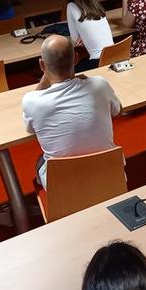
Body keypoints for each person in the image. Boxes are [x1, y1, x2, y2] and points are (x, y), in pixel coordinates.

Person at [21, 35, 121, 188]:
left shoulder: (31, 101)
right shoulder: (100, 84)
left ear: (42, 65)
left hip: (63, 188)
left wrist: (46, 74)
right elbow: (117, 110)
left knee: (42, 160)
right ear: (76, 58)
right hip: (109, 176)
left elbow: (30, 129)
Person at [66, 0, 114, 72]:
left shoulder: (71, 6)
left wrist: (82, 37)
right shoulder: (97, 7)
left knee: (69, 70)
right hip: (113, 55)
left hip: (98, 61)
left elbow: (74, 39)